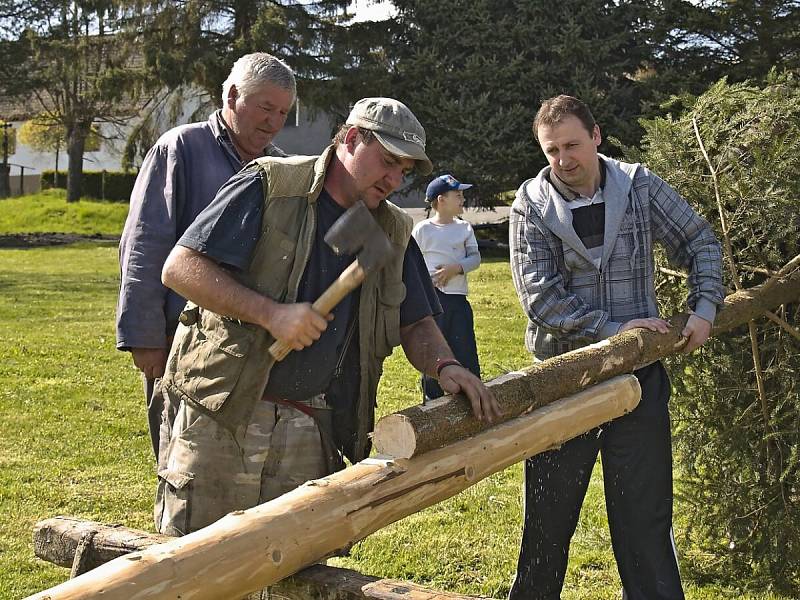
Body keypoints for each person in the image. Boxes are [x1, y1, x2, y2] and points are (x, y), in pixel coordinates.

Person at [154, 97, 503, 536]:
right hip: (224, 414)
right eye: (389, 162)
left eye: (405, 171)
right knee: (194, 566)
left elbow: (415, 320)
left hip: (311, 421)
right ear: (352, 139)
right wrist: (271, 314)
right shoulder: (272, 185)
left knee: (294, 567)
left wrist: (444, 364)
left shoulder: (391, 231)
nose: (396, 180)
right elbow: (181, 268)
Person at [508, 95, 725, 600]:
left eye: (572, 145)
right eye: (551, 150)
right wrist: (614, 329)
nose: (563, 160)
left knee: (644, 520)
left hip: (640, 378)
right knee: (547, 524)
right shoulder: (530, 205)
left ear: (597, 136)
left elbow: (699, 240)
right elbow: (540, 298)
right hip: (561, 379)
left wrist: (705, 306)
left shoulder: (640, 186)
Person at [116, 53, 296, 459]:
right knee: (182, 464)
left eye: (282, 112)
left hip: (249, 347)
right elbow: (145, 244)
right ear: (232, 96)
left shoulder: (279, 168)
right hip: (179, 343)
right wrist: (145, 339)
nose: (273, 122)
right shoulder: (181, 148)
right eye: (265, 107)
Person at [412, 174, 482, 400]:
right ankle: (432, 397)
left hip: (457, 300)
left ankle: (470, 390)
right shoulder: (423, 230)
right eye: (458, 195)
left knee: (463, 346)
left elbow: (475, 258)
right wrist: (428, 280)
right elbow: (413, 261)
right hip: (432, 301)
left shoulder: (464, 228)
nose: (463, 199)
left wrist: (456, 268)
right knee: (434, 347)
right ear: (441, 200)